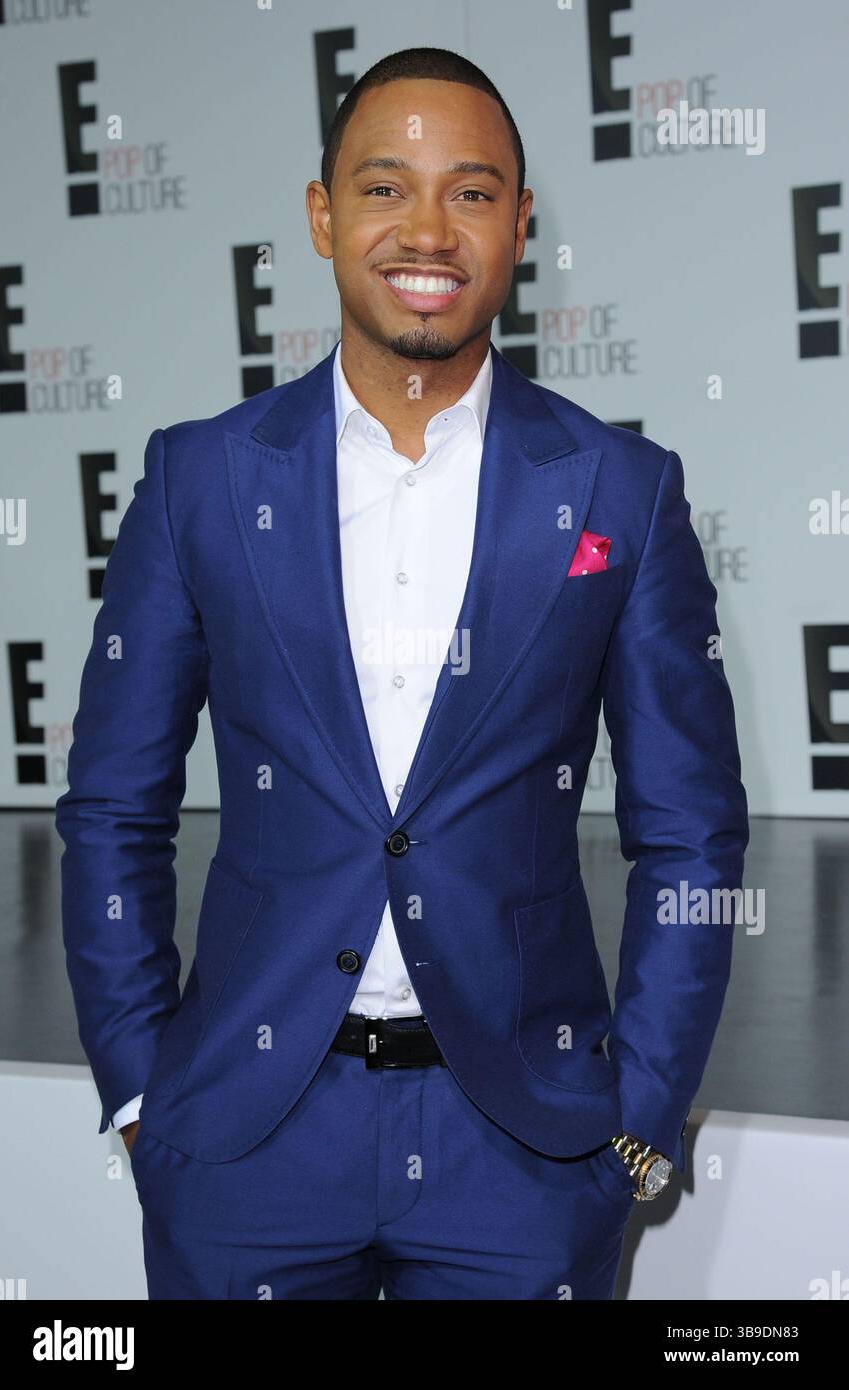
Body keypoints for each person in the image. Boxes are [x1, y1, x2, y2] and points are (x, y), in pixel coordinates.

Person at [55, 46, 749, 1301]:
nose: (427, 229)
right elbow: (111, 808)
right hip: (245, 1140)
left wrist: (636, 1115)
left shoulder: (619, 492)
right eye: (384, 188)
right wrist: (144, 1094)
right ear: (321, 215)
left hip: (525, 1151)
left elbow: (691, 834)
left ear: (521, 224)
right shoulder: (198, 480)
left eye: (472, 192)